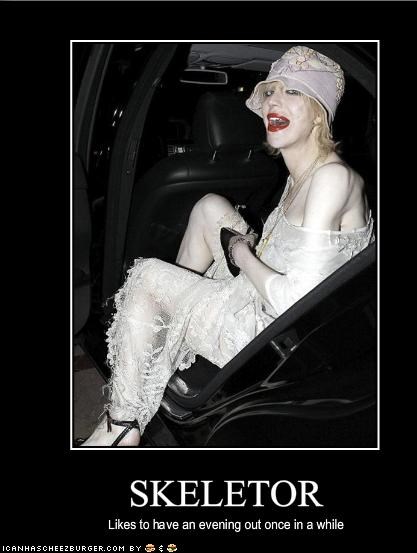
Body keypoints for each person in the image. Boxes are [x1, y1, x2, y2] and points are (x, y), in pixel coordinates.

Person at [78, 45, 375, 447]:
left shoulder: (331, 179)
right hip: (269, 301)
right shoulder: (304, 172)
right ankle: (169, 335)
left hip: (269, 332)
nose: (273, 101)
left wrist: (240, 252)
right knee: (210, 207)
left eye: (293, 91)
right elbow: (294, 252)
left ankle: (123, 425)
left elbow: (292, 302)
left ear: (319, 112)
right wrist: (252, 245)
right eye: (270, 91)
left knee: (148, 278)